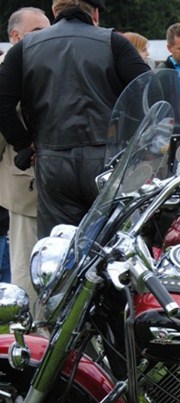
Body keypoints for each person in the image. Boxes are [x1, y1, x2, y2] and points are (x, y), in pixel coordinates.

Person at [0, 0, 150, 239]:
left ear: (54, 11)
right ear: (95, 13)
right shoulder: (114, 42)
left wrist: (25, 144)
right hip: (106, 159)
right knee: (111, 244)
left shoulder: (25, 48)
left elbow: (2, 103)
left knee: (59, 246)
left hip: (52, 160)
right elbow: (150, 92)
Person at [0, 6, 50, 300]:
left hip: (56, 181)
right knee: (26, 268)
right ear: (16, 37)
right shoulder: (6, 70)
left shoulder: (47, 65)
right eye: (38, 32)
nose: (47, 38)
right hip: (24, 184)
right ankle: (29, 326)